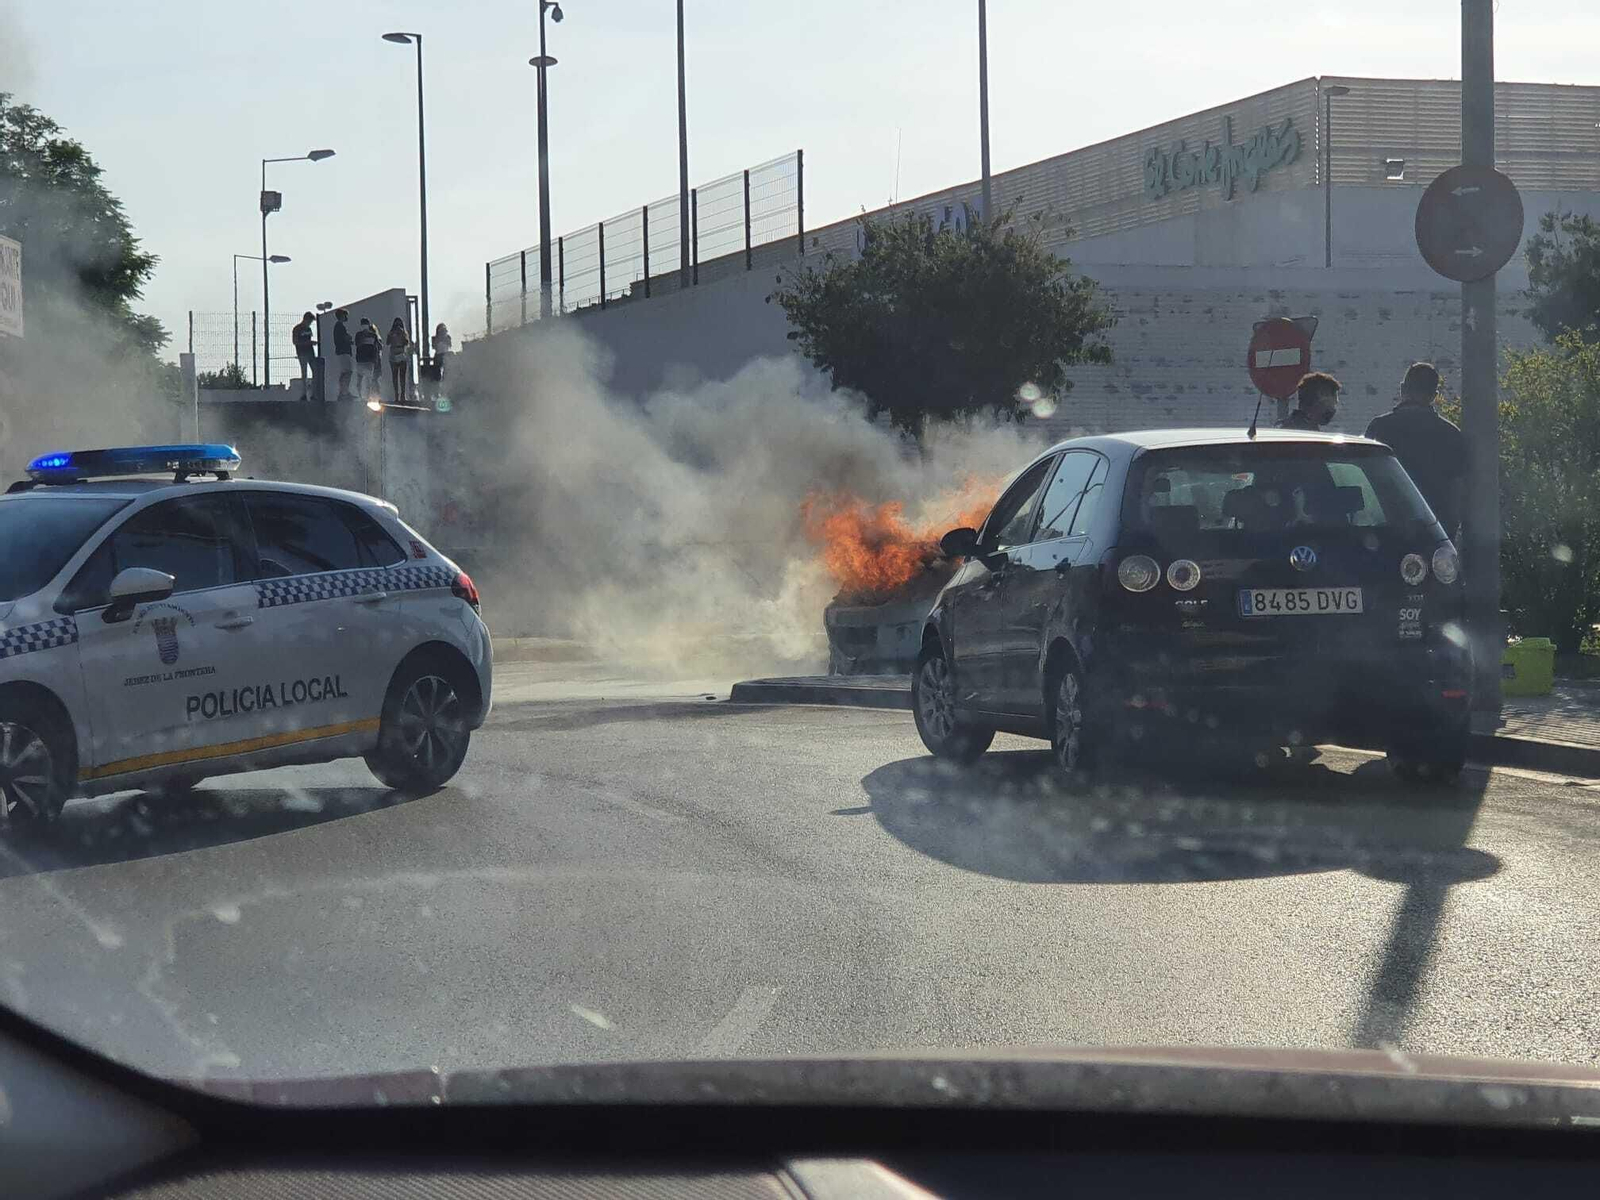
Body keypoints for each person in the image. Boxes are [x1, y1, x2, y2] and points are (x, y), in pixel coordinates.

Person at [1365, 361, 1466, 537]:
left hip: (1388, 526)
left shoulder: (1379, 428)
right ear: (1434, 395)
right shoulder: (1451, 433)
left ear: (1402, 389)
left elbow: (1366, 482)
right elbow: (1457, 488)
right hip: (1437, 529)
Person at [353, 317, 383, 400]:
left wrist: (376, 358)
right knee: (361, 378)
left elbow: (378, 346)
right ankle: (360, 395)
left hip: (369, 359)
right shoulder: (359, 334)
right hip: (362, 359)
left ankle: (367, 396)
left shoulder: (373, 335)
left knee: (367, 379)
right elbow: (357, 344)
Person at [291, 311, 317, 400]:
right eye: (309, 321)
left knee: (315, 372)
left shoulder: (308, 330)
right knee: (304, 373)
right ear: (305, 319)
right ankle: (304, 394)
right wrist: (308, 342)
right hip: (302, 353)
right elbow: (295, 341)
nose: (310, 324)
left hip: (310, 353)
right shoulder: (297, 329)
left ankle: (314, 393)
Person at [387, 317, 413, 405]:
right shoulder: (391, 333)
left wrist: (401, 334)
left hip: (401, 353)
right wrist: (392, 334)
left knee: (402, 376)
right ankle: (396, 395)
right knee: (394, 376)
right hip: (393, 354)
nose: (397, 326)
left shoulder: (403, 333)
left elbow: (406, 342)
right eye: (396, 324)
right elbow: (387, 342)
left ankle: (402, 395)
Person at [331, 308, 354, 401]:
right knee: (347, 372)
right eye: (345, 315)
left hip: (342, 351)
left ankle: (343, 391)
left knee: (345, 372)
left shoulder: (338, 326)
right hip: (343, 351)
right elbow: (345, 338)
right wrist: (349, 338)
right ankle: (344, 392)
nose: (346, 317)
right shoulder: (340, 326)